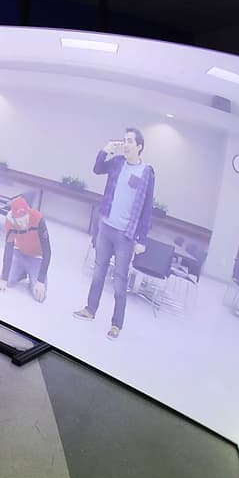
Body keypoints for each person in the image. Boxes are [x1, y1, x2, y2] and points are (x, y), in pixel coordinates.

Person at [74, 127, 156, 340]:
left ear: (139, 146)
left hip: (126, 236)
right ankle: (90, 310)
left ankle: (116, 324)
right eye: (124, 140)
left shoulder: (146, 172)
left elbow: (147, 207)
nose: (125, 144)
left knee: (120, 280)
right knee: (99, 272)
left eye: (130, 141)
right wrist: (104, 151)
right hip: (106, 227)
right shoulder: (117, 163)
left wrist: (142, 239)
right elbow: (97, 168)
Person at [0, 196, 51, 302]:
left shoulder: (38, 219)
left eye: (25, 220)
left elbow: (47, 252)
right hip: (20, 253)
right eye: (19, 222)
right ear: (13, 218)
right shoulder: (10, 221)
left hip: (37, 258)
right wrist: (4, 278)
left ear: (28, 212)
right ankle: (22, 273)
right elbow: (8, 249)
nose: (23, 224)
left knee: (40, 297)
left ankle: (32, 275)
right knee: (7, 281)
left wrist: (40, 281)